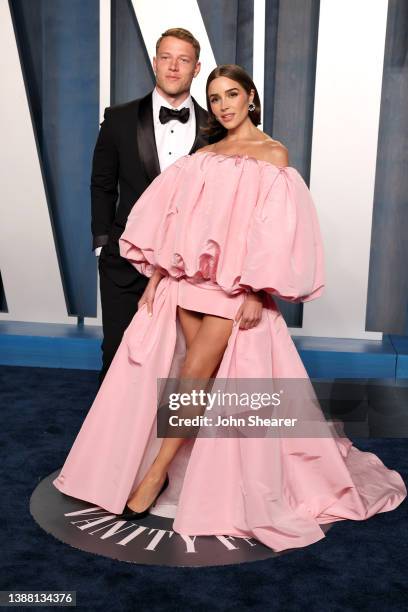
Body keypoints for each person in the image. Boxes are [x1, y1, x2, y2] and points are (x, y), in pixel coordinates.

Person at [53, 65, 406, 552]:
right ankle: (179, 468)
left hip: (230, 288)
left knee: (196, 370)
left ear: (251, 98)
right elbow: (177, 218)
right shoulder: (204, 155)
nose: (223, 105)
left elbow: (275, 233)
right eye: (215, 98)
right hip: (186, 283)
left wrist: (256, 290)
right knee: (188, 375)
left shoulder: (273, 155)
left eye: (232, 94)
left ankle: (155, 473)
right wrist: (157, 274)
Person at [91, 28, 208, 385]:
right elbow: (102, 183)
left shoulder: (215, 128)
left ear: (197, 68)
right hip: (124, 260)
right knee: (118, 355)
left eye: (183, 59)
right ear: (155, 63)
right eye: (167, 58)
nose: (174, 67)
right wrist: (102, 243)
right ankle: (112, 440)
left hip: (189, 266)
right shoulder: (119, 118)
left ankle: (170, 440)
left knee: (185, 362)